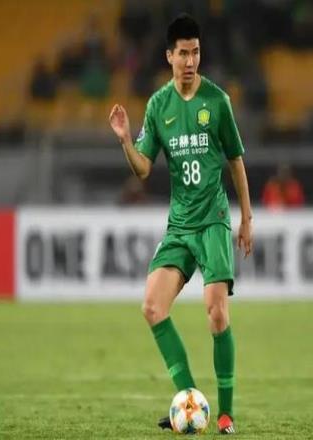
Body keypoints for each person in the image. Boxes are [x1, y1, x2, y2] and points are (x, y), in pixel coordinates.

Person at [108, 14, 253, 435]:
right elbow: (142, 169)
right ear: (169, 56)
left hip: (212, 221)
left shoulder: (217, 101)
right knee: (152, 307)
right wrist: (125, 140)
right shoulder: (158, 106)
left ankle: (225, 415)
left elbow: (236, 160)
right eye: (183, 53)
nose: (190, 61)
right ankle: (189, 400)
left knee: (217, 314)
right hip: (179, 226)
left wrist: (246, 218)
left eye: (196, 52)